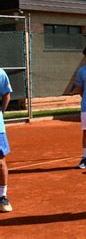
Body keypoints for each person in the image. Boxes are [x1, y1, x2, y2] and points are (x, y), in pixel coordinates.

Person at [0, 69, 12, 212]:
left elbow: (6, 95)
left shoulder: (1, 73)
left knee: (0, 160)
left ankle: (2, 196)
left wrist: (1, 113)